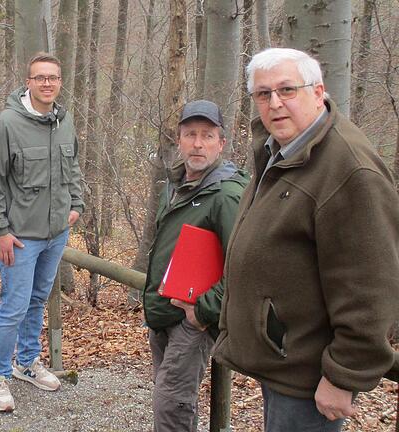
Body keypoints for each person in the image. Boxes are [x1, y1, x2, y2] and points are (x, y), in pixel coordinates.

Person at [213, 47, 399, 432]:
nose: (275, 103)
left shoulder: (349, 170)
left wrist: (343, 376)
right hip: (282, 361)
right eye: (263, 94)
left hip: (311, 377)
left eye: (287, 90)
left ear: (318, 93)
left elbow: (371, 285)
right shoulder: (281, 148)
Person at [0, 52, 84, 412]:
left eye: (53, 77)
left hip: (56, 233)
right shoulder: (9, 123)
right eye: (40, 77)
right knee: (14, 305)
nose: (47, 83)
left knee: (38, 299)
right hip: (20, 236)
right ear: (28, 82)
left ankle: (26, 362)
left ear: (59, 81)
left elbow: (72, 166)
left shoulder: (64, 120)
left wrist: (76, 205)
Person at [142, 100, 249, 431]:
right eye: (190, 134)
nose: (198, 144)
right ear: (179, 139)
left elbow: (243, 263)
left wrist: (204, 310)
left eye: (207, 135)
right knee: (170, 399)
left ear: (222, 142)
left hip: (193, 319)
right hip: (165, 309)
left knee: (172, 404)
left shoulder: (227, 194)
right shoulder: (175, 185)